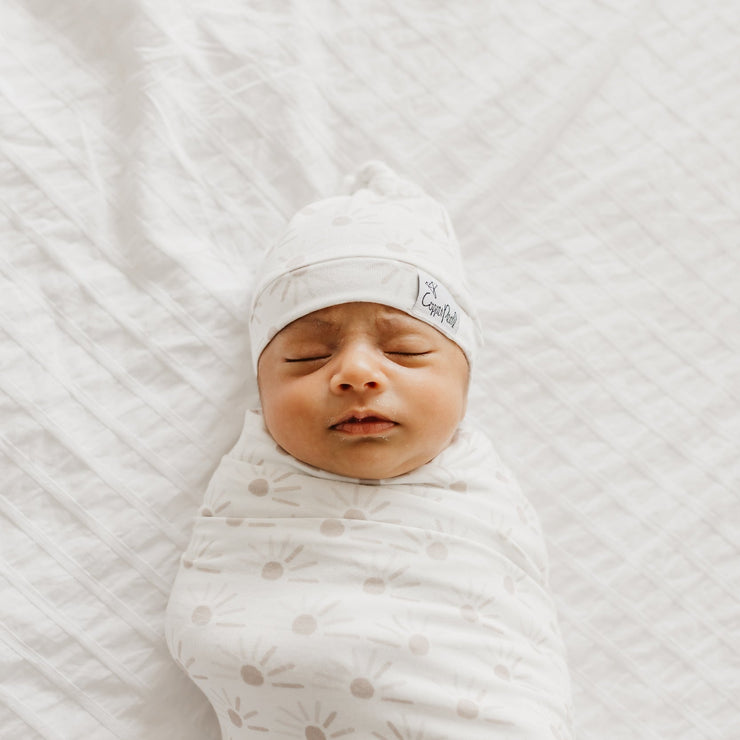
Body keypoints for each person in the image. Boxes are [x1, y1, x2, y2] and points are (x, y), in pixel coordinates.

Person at [165, 162, 573, 739]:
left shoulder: (481, 501)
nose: (356, 373)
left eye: (405, 350)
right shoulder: (250, 493)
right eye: (307, 356)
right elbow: (217, 625)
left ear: (465, 381)